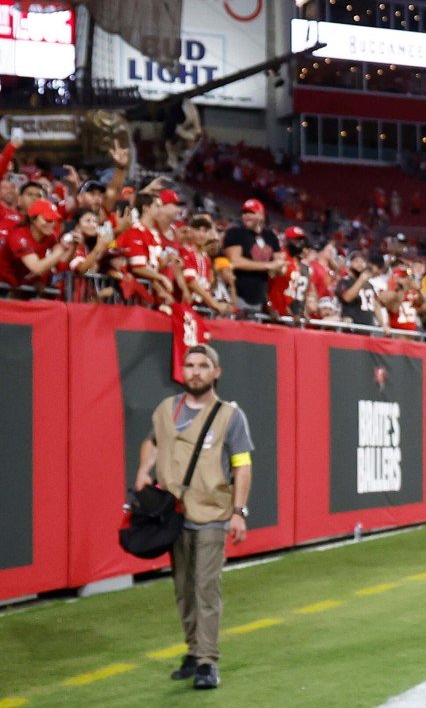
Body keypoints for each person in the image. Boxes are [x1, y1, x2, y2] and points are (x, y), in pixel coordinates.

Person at [133, 344, 253, 690]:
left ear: (216, 373)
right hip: (172, 515)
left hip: (213, 513)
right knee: (183, 589)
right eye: (189, 365)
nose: (195, 371)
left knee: (205, 587)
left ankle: (207, 661)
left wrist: (238, 512)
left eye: (203, 365)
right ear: (182, 371)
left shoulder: (230, 416)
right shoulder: (166, 410)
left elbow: (242, 467)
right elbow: (152, 442)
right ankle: (193, 650)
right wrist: (144, 468)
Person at [221, 199, 283, 312]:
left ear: (261, 215)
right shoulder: (235, 233)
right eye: (244, 213)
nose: (247, 216)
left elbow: (280, 264)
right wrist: (268, 266)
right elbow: (235, 262)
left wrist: (279, 266)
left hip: (260, 298)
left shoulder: (270, 236)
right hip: (237, 294)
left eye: (251, 212)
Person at [0, 198, 73, 292]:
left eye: (54, 220)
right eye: (48, 220)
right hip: (3, 286)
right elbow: (37, 268)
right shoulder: (19, 236)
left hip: (18, 287)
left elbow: (62, 259)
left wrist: (72, 246)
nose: (52, 224)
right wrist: (60, 249)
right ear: (33, 219)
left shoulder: (48, 236)